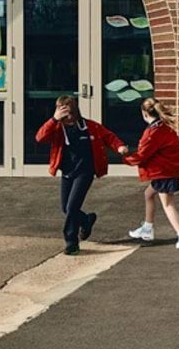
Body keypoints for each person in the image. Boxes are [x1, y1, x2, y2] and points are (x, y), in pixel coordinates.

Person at [34, 95, 128, 255]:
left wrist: (119, 147)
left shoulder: (89, 126)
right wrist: (54, 120)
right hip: (68, 172)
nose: (67, 118)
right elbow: (40, 137)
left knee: (72, 207)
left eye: (69, 114)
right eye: (63, 114)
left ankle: (71, 243)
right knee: (66, 208)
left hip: (85, 172)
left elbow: (108, 136)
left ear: (75, 111)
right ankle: (86, 220)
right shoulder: (57, 128)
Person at [125, 97, 179, 250]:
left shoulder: (153, 132)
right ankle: (147, 228)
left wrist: (125, 157)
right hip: (168, 169)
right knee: (148, 194)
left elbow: (142, 154)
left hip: (164, 172)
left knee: (168, 204)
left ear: (144, 113)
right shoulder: (164, 127)